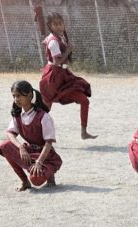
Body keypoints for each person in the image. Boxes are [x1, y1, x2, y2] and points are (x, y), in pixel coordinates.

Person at [39, 12, 96, 140]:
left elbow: (49, 42)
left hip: (62, 74)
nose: (59, 26)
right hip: (54, 77)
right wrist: (68, 50)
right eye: (55, 24)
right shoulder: (54, 41)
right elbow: (57, 62)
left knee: (83, 100)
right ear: (50, 26)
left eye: (60, 23)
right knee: (45, 108)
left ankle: (83, 132)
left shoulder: (57, 37)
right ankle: (35, 132)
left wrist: (48, 41)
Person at [0, 80, 62, 191]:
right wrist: (20, 147)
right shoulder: (18, 116)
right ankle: (24, 181)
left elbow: (48, 143)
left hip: (45, 156)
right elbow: (10, 133)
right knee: (4, 146)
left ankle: (49, 175)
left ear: (30, 95)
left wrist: (39, 162)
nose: (16, 99)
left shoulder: (43, 116)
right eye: (14, 96)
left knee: (36, 180)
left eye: (19, 96)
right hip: (29, 152)